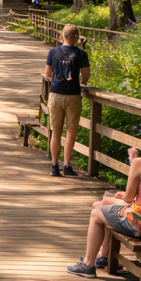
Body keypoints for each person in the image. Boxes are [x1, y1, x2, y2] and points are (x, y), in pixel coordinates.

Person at [66, 119, 141, 278]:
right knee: (103, 205)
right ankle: (102, 256)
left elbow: (129, 199)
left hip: (140, 225)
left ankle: (88, 264)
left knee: (97, 212)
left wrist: (115, 196)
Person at [44, 24, 90, 176]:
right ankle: (68, 166)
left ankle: (54, 166)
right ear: (76, 37)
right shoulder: (81, 54)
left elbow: (48, 73)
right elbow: (86, 74)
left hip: (56, 94)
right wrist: (82, 82)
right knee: (70, 132)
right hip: (73, 95)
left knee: (55, 132)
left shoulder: (53, 52)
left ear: (63, 35)